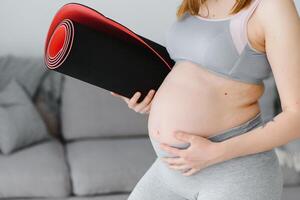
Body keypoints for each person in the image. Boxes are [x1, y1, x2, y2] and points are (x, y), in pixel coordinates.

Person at [111, 0, 300, 199]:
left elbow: (296, 116)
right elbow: (195, 80)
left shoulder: (271, 5)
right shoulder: (197, 2)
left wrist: (216, 152)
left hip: (234, 174)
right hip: (170, 172)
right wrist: (152, 102)